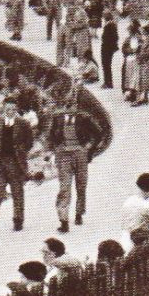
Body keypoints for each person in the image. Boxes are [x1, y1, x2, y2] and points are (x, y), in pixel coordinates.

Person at [46, 80, 103, 232]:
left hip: (80, 153)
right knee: (65, 186)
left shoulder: (83, 118)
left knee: (81, 185)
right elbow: (50, 136)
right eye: (67, 105)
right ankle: (64, 219)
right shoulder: (57, 119)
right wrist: (55, 150)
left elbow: (98, 134)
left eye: (72, 105)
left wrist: (88, 148)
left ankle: (79, 212)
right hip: (64, 154)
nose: (70, 108)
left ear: (76, 106)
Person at [0, 98, 33, 234]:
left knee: (17, 193)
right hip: (0, 162)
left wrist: (20, 151)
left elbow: (29, 142)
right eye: (8, 109)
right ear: (3, 109)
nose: (10, 112)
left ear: (16, 110)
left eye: (13, 110)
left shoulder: (23, 123)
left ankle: (18, 220)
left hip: (16, 163)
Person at [100, 14, 119, 91]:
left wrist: (110, 46)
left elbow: (112, 38)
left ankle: (108, 82)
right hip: (107, 48)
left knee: (106, 64)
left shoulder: (110, 26)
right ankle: (108, 82)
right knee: (106, 65)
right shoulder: (112, 25)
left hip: (107, 48)